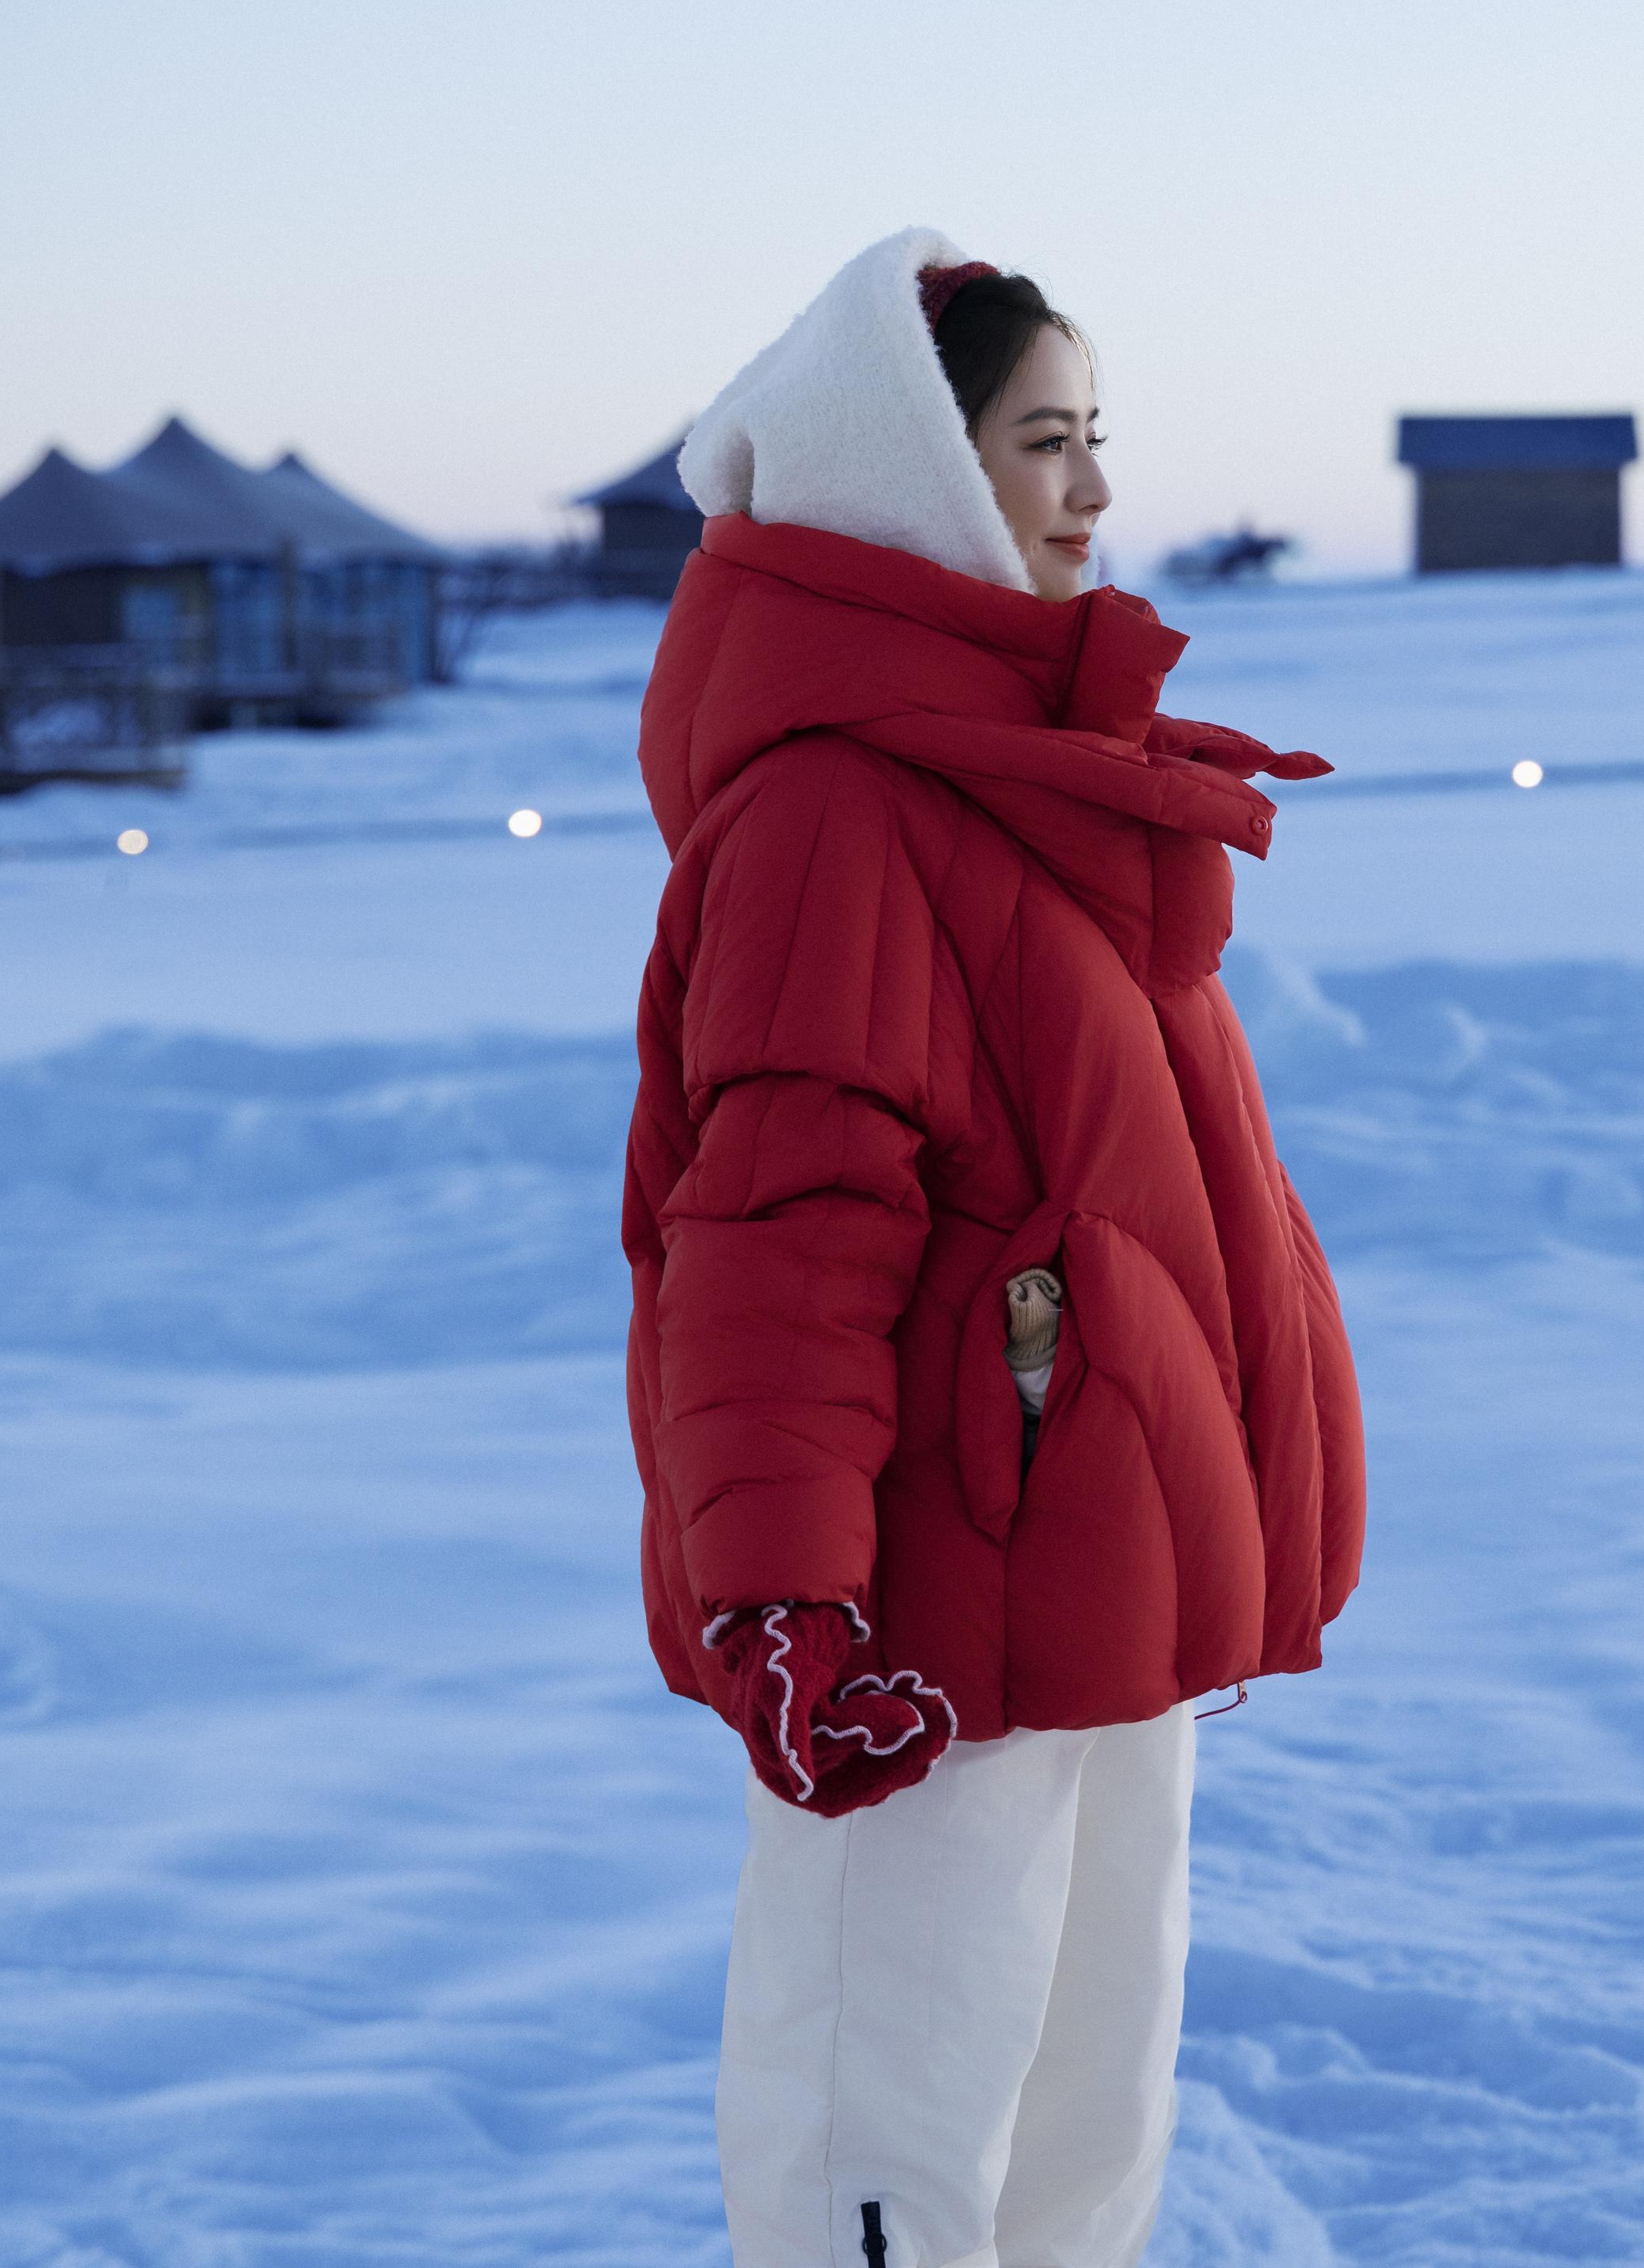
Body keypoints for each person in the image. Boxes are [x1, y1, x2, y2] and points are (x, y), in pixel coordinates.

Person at [620, 227, 1366, 2268]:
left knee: (1077, 2117)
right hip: (922, 1606)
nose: (1095, 493)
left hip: (1093, 1557)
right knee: (897, 2107)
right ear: (918, 479)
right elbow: (774, 1233)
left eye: (1094, 436)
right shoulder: (832, 818)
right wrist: (786, 1600)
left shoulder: (1019, 779)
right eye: (1045, 443)